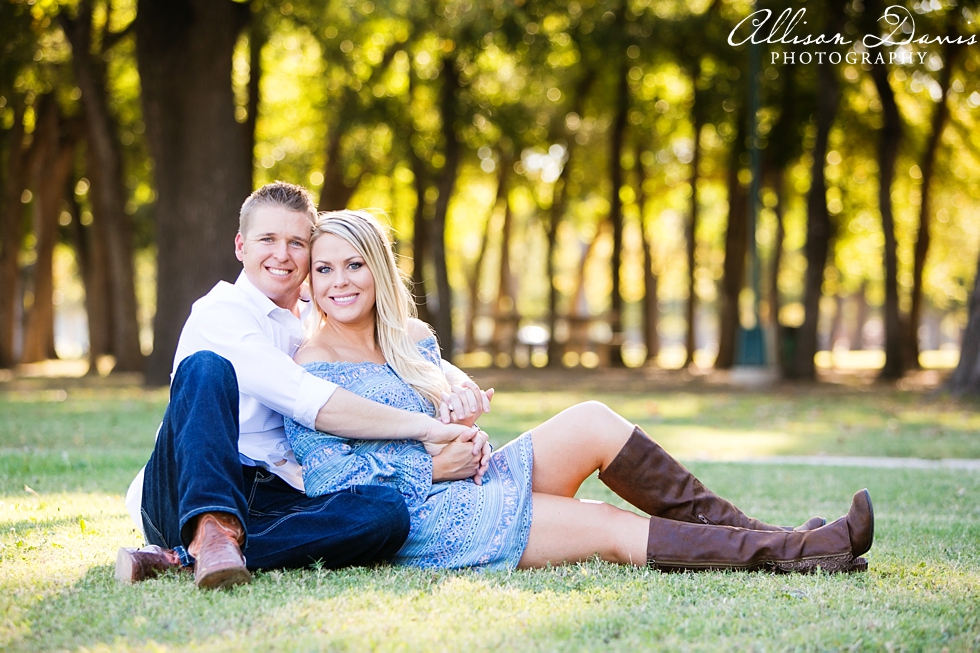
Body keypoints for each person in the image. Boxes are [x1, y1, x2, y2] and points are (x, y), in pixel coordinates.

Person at [284, 209, 874, 573]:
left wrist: (459, 408)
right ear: (310, 281)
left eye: (354, 265)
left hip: (474, 480)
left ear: (379, 271)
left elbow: (445, 413)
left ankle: (780, 537)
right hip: (423, 521)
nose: (340, 282)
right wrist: (432, 468)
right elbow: (335, 491)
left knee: (591, 418)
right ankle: (796, 555)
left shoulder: (411, 339)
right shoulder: (308, 369)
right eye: (325, 269)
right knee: (606, 526)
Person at [116, 182, 488, 589]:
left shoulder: (318, 311)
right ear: (241, 246)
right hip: (188, 488)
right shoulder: (220, 314)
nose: (282, 254)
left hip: (272, 495)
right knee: (206, 368)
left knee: (385, 511)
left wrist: (457, 384)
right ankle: (209, 533)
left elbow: (404, 346)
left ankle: (188, 558)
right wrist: (429, 428)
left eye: (296, 242)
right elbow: (308, 399)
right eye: (268, 240)